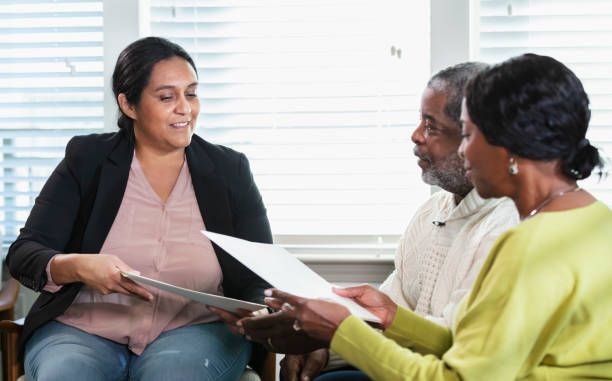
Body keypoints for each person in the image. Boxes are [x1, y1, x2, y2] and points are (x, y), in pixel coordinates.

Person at [259, 53, 612, 380]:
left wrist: (341, 331)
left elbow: (456, 377)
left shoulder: (527, 244)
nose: (463, 150)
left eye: (469, 134)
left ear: (510, 147)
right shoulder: (596, 220)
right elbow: (478, 351)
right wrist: (391, 318)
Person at [231, 62, 520, 381]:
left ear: (475, 139)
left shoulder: (507, 228)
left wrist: (336, 334)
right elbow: (386, 319)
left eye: (431, 126)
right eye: (419, 121)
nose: (415, 136)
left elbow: (456, 351)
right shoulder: (432, 212)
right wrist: (324, 349)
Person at [6, 36, 272, 381]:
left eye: (191, 93)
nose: (185, 108)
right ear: (129, 105)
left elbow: (261, 274)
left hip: (196, 330)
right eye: (167, 97)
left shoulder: (229, 170)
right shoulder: (87, 160)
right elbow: (24, 254)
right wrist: (78, 266)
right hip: (82, 331)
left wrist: (255, 311)